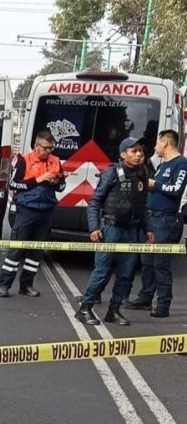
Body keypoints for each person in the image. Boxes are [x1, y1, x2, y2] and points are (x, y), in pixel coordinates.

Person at [75, 137, 154, 326]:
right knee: (102, 272)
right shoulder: (112, 173)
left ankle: (114, 310)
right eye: (133, 151)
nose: (138, 155)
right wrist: (94, 228)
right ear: (122, 154)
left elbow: (143, 206)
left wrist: (148, 229)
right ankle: (85, 308)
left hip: (133, 230)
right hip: (111, 229)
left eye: (140, 152)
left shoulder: (143, 172)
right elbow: (94, 203)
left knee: (126, 275)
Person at [124, 130, 187, 318]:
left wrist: (155, 185)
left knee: (161, 263)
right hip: (152, 219)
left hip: (165, 220)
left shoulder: (181, 164)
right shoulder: (161, 165)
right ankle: (145, 297)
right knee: (148, 262)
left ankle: (163, 303)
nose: (154, 147)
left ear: (166, 143)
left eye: (157, 143)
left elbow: (176, 189)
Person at [0, 129, 65, 298]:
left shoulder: (56, 161)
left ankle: (26, 285)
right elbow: (13, 184)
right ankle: (4, 285)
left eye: (51, 148)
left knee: (36, 251)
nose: (49, 151)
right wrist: (38, 180)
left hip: (47, 210)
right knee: (17, 249)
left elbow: (62, 186)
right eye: (46, 148)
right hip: (27, 209)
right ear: (36, 146)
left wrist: (56, 182)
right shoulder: (23, 160)